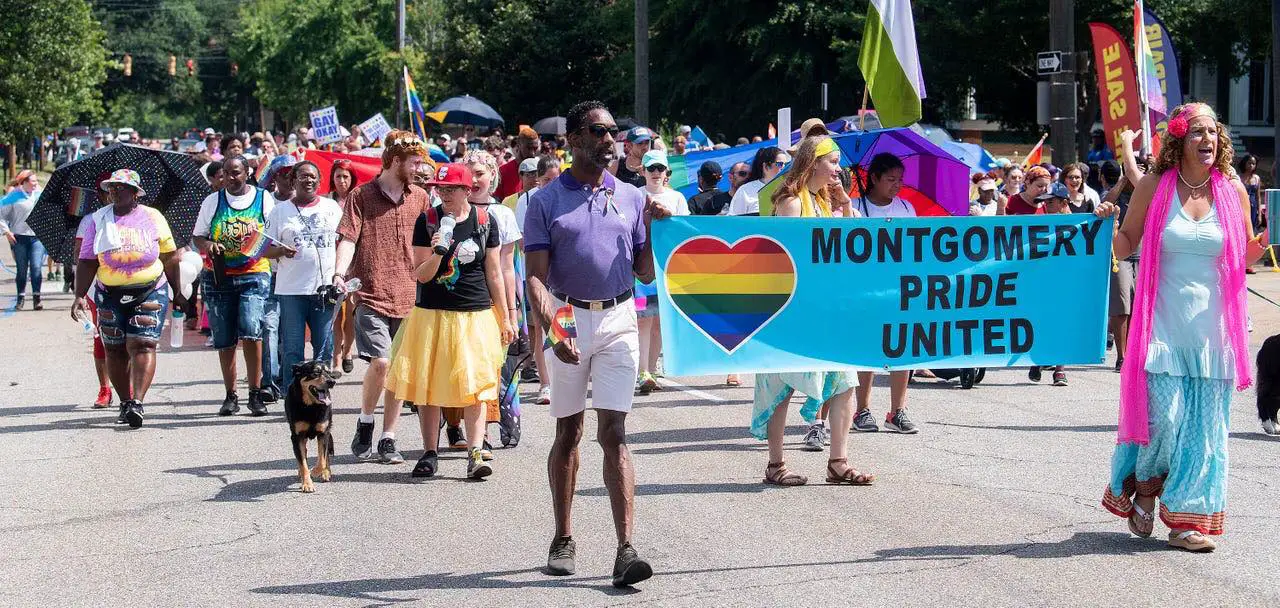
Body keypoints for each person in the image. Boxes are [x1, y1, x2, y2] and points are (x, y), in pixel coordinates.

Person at [1097, 102, 1263, 553]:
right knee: (1165, 420)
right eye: (1196, 133)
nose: (1207, 140)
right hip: (1162, 324)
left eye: (1212, 132)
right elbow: (1128, 240)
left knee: (1206, 431)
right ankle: (1148, 488)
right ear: (1178, 140)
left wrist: (1268, 242)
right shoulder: (1155, 184)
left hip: (1215, 332)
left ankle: (1186, 521)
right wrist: (1103, 229)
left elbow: (1245, 255)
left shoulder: (1232, 189)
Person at [524, 100, 663, 587]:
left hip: (621, 317)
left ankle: (626, 549)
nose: (610, 139)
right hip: (567, 317)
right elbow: (535, 280)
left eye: (614, 131)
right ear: (574, 139)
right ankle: (563, 536)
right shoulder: (544, 202)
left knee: (615, 433)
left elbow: (645, 269)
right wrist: (554, 330)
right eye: (599, 131)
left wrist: (660, 227)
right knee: (569, 433)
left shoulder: (631, 197)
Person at [752, 134, 874, 485]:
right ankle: (776, 465)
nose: (839, 168)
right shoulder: (792, 203)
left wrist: (846, 208)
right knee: (783, 385)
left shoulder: (826, 202)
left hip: (829, 308)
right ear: (813, 162)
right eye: (833, 161)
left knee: (844, 382)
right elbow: (786, 259)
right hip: (793, 309)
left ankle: (839, 461)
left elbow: (851, 250)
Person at [387, 163, 514, 479]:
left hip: (474, 315)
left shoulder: (485, 221)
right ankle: (430, 452)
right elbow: (420, 274)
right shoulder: (427, 221)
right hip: (431, 315)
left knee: (475, 385)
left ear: (467, 190)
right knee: (428, 385)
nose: (443, 194)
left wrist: (508, 316)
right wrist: (438, 251)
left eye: (450, 188)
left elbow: (495, 273)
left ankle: (474, 451)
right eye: (439, 188)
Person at [334, 131, 431, 463]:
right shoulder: (361, 196)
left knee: (399, 369)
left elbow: (431, 246)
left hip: (409, 295)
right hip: (370, 293)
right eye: (414, 162)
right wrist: (338, 274)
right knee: (382, 363)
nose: (420, 168)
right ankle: (365, 419)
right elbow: (347, 239)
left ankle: (388, 437)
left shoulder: (420, 197)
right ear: (395, 161)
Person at [71, 170, 182, 428]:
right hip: (109, 293)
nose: (115, 192)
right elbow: (87, 260)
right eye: (112, 188)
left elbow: (170, 256)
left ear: (135, 192)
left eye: (122, 187)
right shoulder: (98, 220)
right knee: (114, 348)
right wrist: (79, 295)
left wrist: (178, 293)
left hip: (150, 289)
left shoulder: (153, 217)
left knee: (143, 344)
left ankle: (138, 403)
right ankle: (124, 401)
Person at [448, 149, 521, 452]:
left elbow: (506, 267)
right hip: (456, 301)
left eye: (481, 172)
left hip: (493, 302)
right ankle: (453, 426)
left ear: (493, 175)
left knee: (488, 369)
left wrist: (511, 313)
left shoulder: (502, 213)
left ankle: (486, 431)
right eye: (470, 173)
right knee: (454, 367)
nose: (475, 179)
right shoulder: (449, 209)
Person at [193, 155, 276, 416]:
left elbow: (272, 236)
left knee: (252, 329)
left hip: (254, 273)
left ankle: (255, 392)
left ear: (248, 172)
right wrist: (208, 245)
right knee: (224, 337)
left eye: (236, 172)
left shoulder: (264, 199)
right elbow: (198, 237)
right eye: (226, 173)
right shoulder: (212, 201)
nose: (231, 177)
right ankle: (231, 395)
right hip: (219, 276)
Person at [848, 153, 918, 434]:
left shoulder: (906, 208)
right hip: (864, 290)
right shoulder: (853, 207)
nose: (897, 184)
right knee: (866, 349)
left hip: (899, 288)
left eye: (900, 179)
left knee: (901, 349)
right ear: (873, 178)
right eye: (890, 179)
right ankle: (862, 410)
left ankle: (897, 411)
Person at [264, 161, 343, 391]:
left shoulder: (332, 208)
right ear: (293, 181)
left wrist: (341, 277)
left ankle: (321, 395)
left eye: (313, 177)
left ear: (319, 182)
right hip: (291, 292)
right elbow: (264, 249)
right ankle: (293, 397)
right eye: (303, 176)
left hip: (324, 291)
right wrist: (280, 251)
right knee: (292, 349)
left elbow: (345, 244)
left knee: (324, 347)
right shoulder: (280, 212)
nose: (308, 180)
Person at [636, 149, 689, 394]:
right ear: (643, 171)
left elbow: (686, 231)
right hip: (640, 270)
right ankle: (642, 372)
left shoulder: (677, 198)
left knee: (660, 322)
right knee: (642, 321)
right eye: (651, 169)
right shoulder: (635, 196)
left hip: (668, 269)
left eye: (660, 169)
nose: (656, 173)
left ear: (667, 172)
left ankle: (652, 369)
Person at [329, 159, 360, 374]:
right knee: (334, 315)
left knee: (350, 313)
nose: (342, 180)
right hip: (331, 264)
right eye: (338, 176)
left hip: (354, 265)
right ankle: (336, 359)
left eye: (346, 176)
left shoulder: (358, 201)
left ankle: (348, 350)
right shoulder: (326, 203)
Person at [0, 170, 45, 310]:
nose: (35, 184)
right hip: (19, 237)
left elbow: (48, 211)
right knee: (21, 269)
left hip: (36, 238)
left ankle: (37, 298)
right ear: (24, 182)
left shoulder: (39, 194)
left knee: (36, 267)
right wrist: (6, 231)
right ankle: (21, 298)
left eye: (36, 181)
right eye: (33, 181)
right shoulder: (14, 196)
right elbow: (1, 214)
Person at [729, 146, 786, 216]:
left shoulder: (788, 189)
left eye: (785, 165)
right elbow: (733, 220)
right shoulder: (745, 190)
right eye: (779, 164)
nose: (783, 168)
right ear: (765, 166)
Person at [495, 126, 542, 200]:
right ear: (518, 145)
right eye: (529, 148)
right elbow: (497, 201)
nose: (532, 153)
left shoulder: (541, 171)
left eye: (535, 148)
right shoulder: (503, 171)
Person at [1238, 153, 1262, 233]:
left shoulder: (1256, 178)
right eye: (1249, 163)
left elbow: (1258, 197)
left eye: (1253, 164)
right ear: (1244, 163)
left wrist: (1260, 215)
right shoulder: (1238, 178)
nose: (1251, 165)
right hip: (1241, 207)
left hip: (1253, 208)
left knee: (1252, 230)